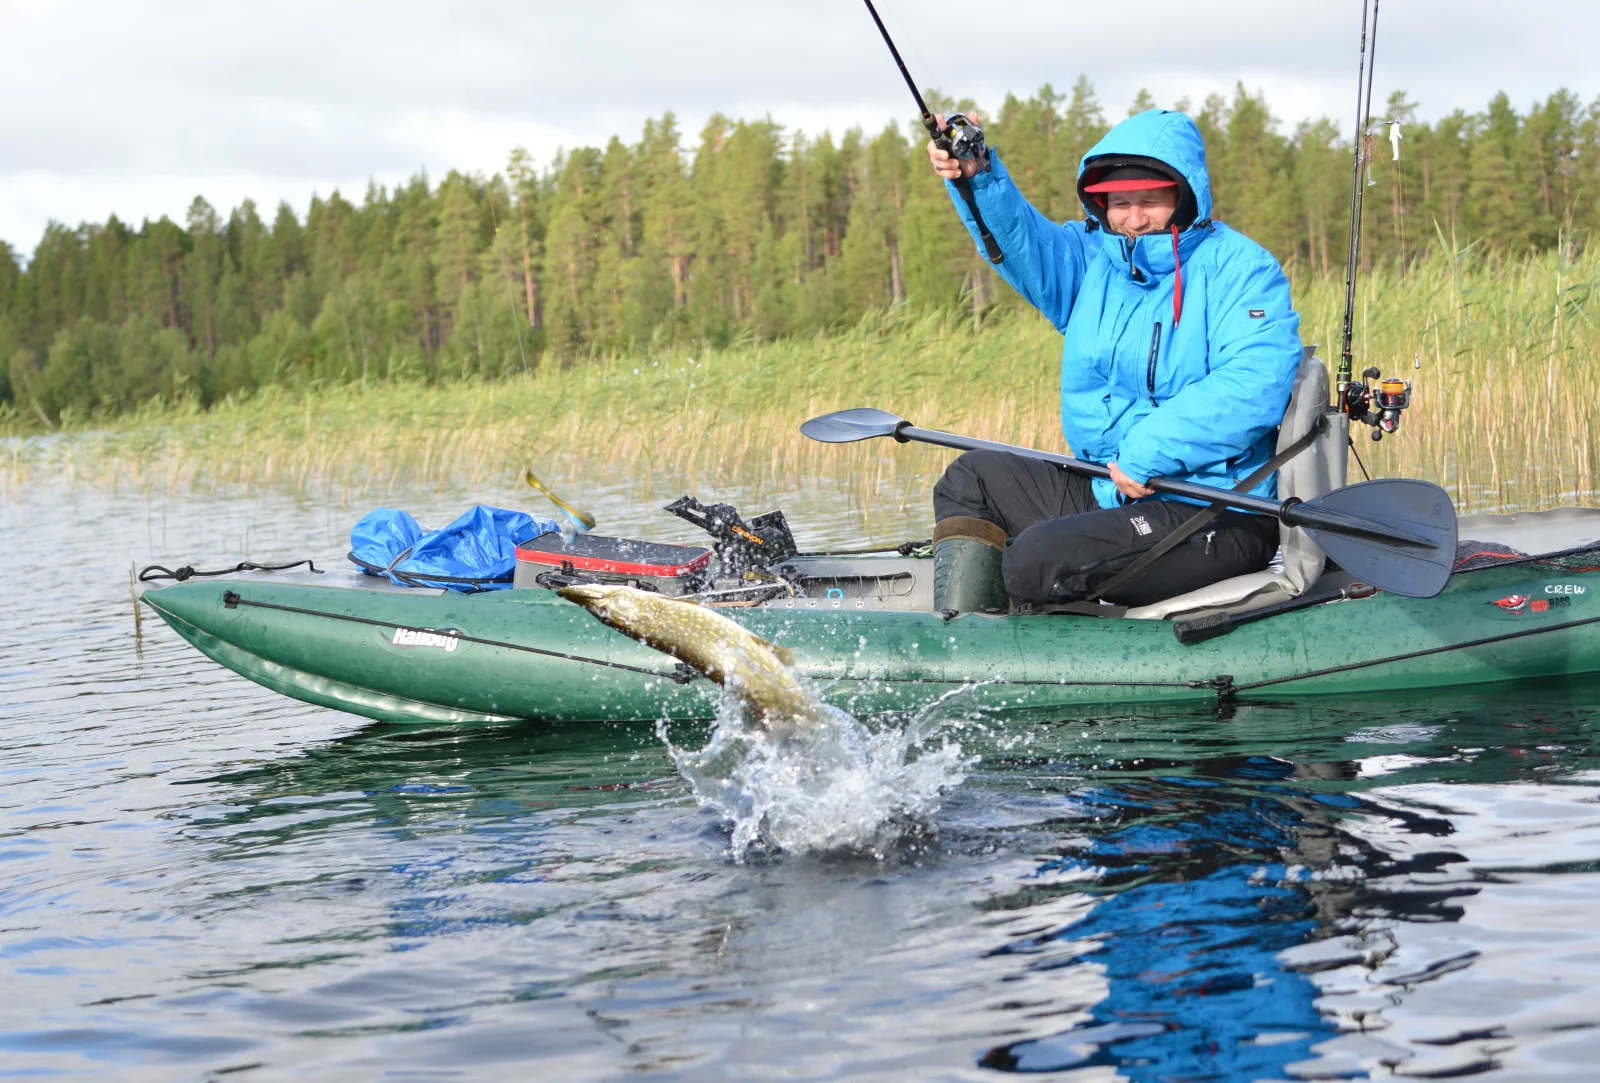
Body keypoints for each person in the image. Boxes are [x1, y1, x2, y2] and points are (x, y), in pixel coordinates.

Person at [926, 108, 1305, 612]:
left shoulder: (1241, 268)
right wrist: (979, 176)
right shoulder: (1095, 261)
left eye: (1151, 201)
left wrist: (1147, 452)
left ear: (1184, 196)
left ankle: (1040, 623)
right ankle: (959, 630)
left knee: (1035, 559)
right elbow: (1022, 243)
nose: (1134, 218)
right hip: (1112, 490)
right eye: (1120, 203)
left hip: (1216, 510)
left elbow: (1254, 383)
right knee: (971, 479)